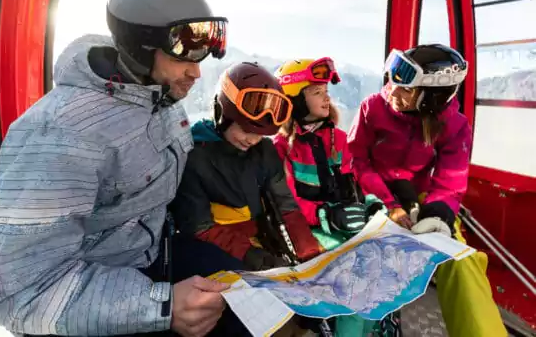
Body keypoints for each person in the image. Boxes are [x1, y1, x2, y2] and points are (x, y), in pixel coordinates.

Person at [0, 0, 244, 337]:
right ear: (142, 46)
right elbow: (21, 295)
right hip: (88, 296)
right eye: (187, 56)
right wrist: (161, 307)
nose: (197, 72)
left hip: (148, 255)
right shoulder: (58, 134)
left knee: (245, 295)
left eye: (203, 56)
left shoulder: (161, 100)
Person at [347, 44, 507, 337]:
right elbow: (356, 159)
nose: (392, 92)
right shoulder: (374, 107)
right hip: (371, 194)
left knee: (461, 259)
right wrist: (387, 202)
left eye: (406, 89)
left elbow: (450, 179)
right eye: (394, 81)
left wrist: (439, 214)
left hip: (418, 199)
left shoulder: (453, 126)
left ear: (431, 99)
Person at [272, 57, 391, 337]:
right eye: (316, 92)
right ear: (295, 101)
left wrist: (371, 204)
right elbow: (285, 202)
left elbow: (357, 182)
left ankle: (372, 329)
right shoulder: (281, 148)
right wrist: (325, 214)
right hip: (307, 231)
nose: (326, 98)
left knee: (382, 267)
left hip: (344, 228)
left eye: (326, 91)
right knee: (354, 278)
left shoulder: (338, 138)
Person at [171, 61, 321, 272]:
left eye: (260, 134)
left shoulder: (264, 151)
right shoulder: (193, 156)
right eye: (245, 129)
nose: (251, 140)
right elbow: (198, 227)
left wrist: (310, 252)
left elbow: (285, 206)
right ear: (221, 113)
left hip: (257, 243)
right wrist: (251, 256)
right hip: (212, 251)